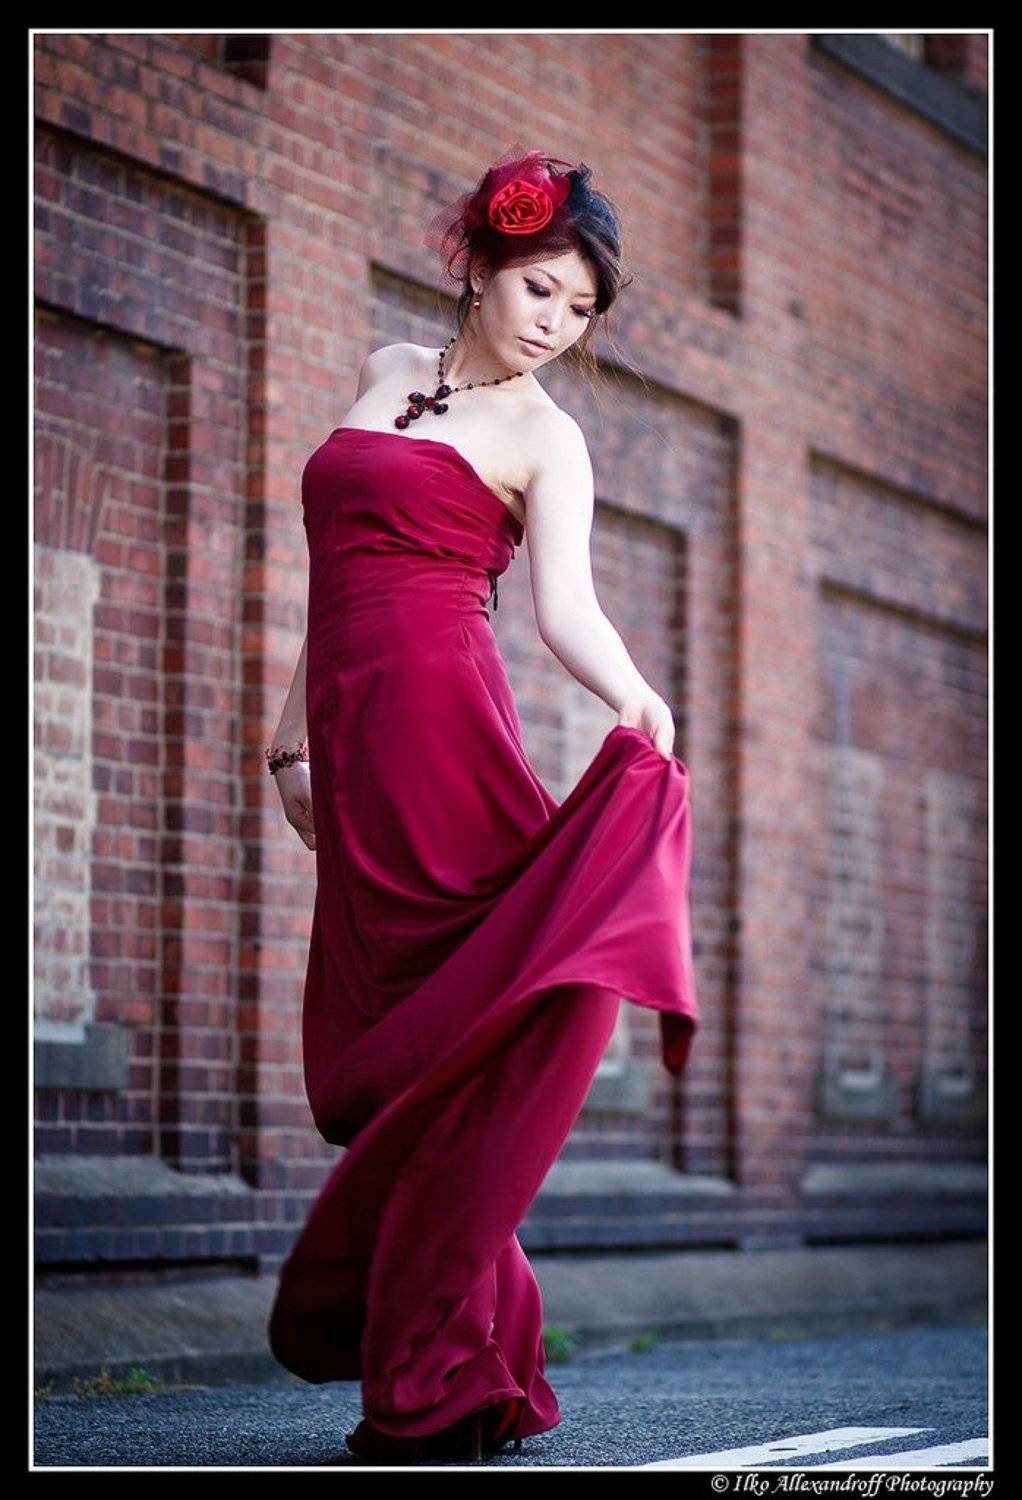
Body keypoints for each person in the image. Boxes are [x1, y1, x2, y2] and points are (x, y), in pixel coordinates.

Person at [264, 145, 700, 1465]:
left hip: (446, 741)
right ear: (483, 266)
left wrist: (640, 701)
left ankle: (436, 1378)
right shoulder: (385, 369)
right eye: (542, 293)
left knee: (457, 1049)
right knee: (395, 1060)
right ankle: (478, 1349)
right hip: (350, 743)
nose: (555, 327)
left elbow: (563, 606)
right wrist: (287, 741)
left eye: (578, 311)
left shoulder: (545, 436)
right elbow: (328, 578)